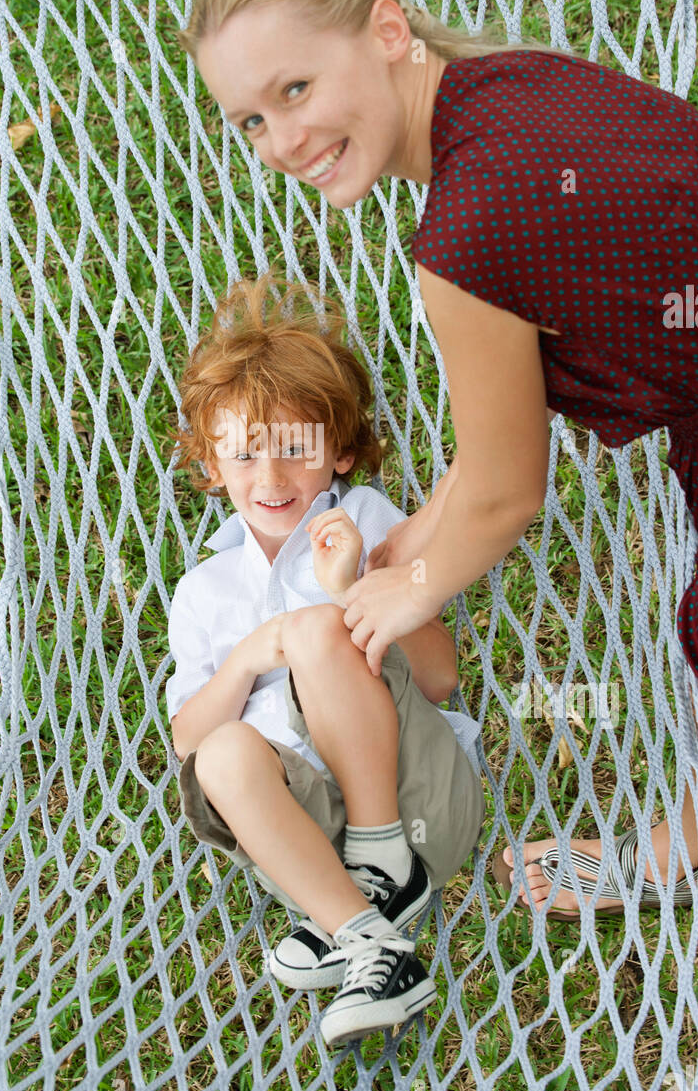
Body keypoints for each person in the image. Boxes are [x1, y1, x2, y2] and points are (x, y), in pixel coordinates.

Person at [177, 0, 698, 921]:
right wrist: (405, 545)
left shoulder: (464, 236)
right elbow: (484, 458)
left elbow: (507, 493)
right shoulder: (505, 88)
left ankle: (679, 857)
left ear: (384, 30)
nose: (281, 143)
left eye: (294, 90)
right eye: (248, 120)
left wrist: (386, 603)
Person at [165, 270, 484, 1047]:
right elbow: (184, 736)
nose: (268, 478)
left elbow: (440, 676)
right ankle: (363, 933)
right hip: (308, 851)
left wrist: (356, 590)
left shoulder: (370, 523)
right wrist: (248, 656)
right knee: (223, 751)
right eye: (241, 456)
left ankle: (384, 867)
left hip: (417, 803)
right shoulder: (203, 589)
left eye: (293, 451)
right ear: (211, 467)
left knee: (313, 631)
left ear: (340, 453)